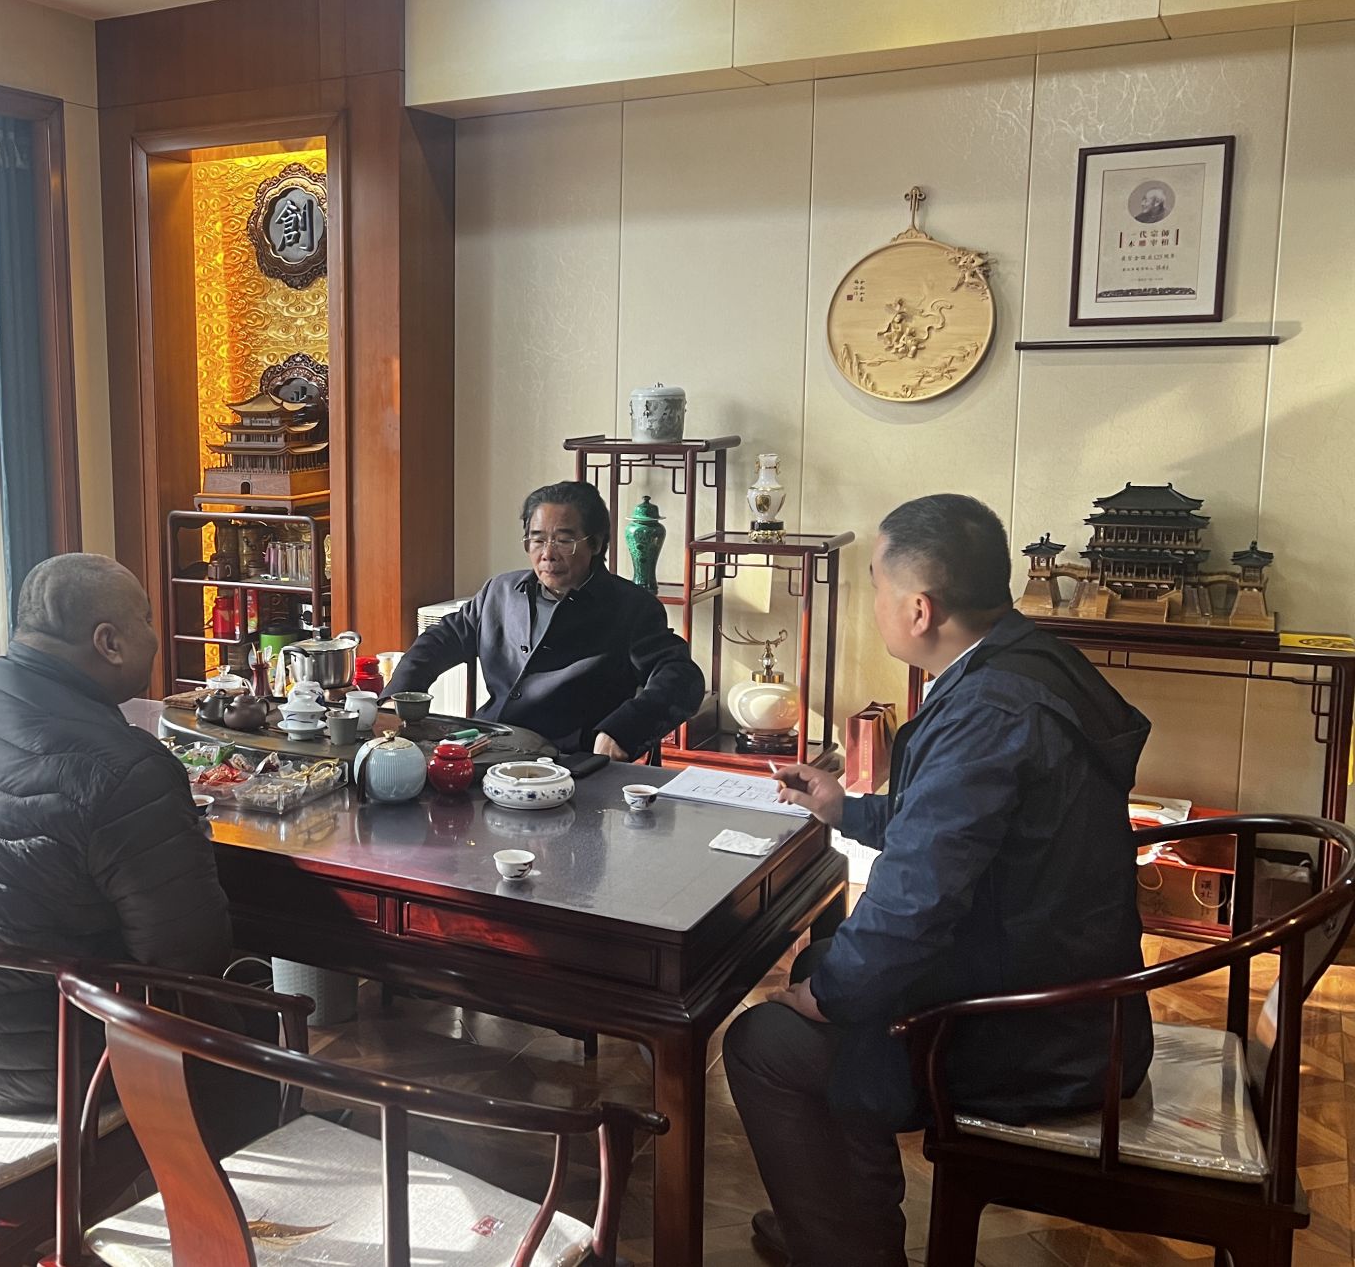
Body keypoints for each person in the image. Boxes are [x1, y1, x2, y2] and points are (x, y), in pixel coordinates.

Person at [724, 494, 1153, 1267]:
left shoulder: (988, 708)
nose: (876, 603)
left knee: (771, 1038)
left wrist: (827, 995)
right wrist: (848, 810)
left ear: (919, 608)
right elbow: (964, 829)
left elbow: (914, 903)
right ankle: (845, 1225)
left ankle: (847, 1252)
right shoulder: (1024, 658)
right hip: (1078, 992)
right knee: (831, 970)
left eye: (877, 586)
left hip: (1036, 1031)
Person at [0, 553, 232, 1111]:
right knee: (250, 1019)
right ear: (109, 642)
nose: (155, 635)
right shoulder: (123, 768)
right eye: (147, 619)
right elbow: (190, 957)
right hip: (52, 1063)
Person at [390, 480, 704, 756]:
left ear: (595, 543)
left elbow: (682, 678)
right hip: (487, 749)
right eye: (537, 539)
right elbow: (439, 640)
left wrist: (622, 731)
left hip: (569, 762)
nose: (547, 554)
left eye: (564, 540)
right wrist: (397, 698)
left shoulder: (630, 607)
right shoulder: (500, 592)